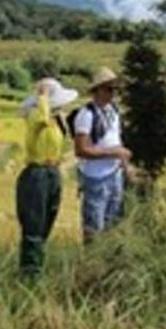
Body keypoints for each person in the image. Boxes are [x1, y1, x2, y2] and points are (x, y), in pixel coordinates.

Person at [16, 78, 78, 277]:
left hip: (52, 172)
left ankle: (38, 265)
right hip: (37, 173)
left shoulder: (56, 119)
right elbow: (42, 119)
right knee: (33, 226)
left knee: (47, 222)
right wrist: (42, 97)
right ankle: (30, 272)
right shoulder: (35, 115)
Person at [73, 67, 132, 242]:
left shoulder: (114, 111)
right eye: (108, 88)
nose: (113, 93)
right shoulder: (86, 115)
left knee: (113, 225)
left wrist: (125, 164)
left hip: (115, 175)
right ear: (97, 90)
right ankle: (92, 265)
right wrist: (114, 153)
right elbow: (81, 150)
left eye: (115, 89)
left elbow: (116, 141)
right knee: (94, 227)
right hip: (96, 177)